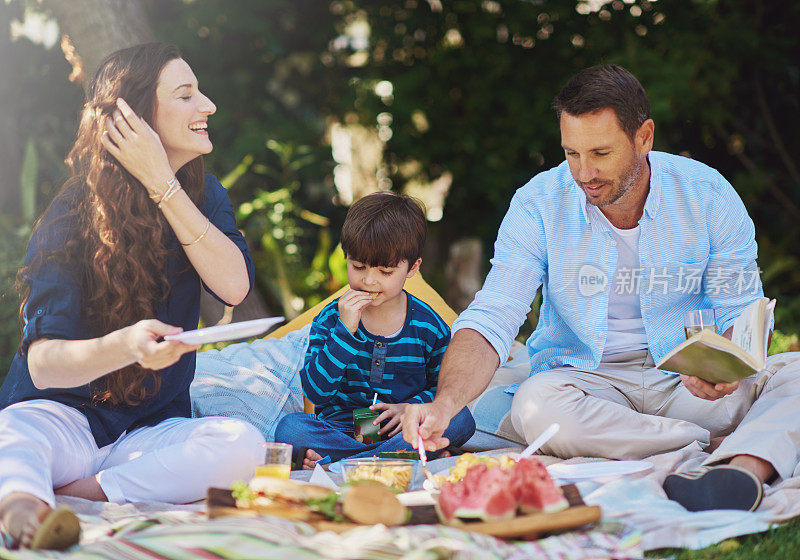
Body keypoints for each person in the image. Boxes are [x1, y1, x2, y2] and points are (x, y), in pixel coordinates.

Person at [402, 64, 800, 512]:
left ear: (644, 137)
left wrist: (726, 368)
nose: (584, 172)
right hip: (589, 388)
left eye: (600, 153)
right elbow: (494, 313)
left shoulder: (708, 194)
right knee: (536, 405)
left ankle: (742, 472)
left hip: (689, 389)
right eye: (571, 153)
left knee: (796, 373)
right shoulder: (538, 204)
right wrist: (445, 403)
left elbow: (743, 312)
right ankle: (713, 451)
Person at [0, 43, 266, 550]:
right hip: (63, 420)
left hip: (147, 432)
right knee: (12, 435)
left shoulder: (204, 197)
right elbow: (44, 366)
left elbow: (233, 285)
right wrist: (128, 346)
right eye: (186, 96)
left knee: (244, 445)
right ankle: (24, 510)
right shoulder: (71, 215)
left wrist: (162, 182)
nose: (207, 106)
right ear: (135, 118)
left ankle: (81, 494)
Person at [275, 193, 475, 469]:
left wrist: (411, 408)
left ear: (413, 268)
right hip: (342, 430)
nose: (369, 280)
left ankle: (343, 464)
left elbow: (443, 390)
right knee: (290, 428)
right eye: (358, 267)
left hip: (402, 428)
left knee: (461, 418)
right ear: (346, 258)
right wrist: (344, 332)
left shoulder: (428, 325)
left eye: (385, 271)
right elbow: (315, 391)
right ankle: (400, 458)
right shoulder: (332, 318)